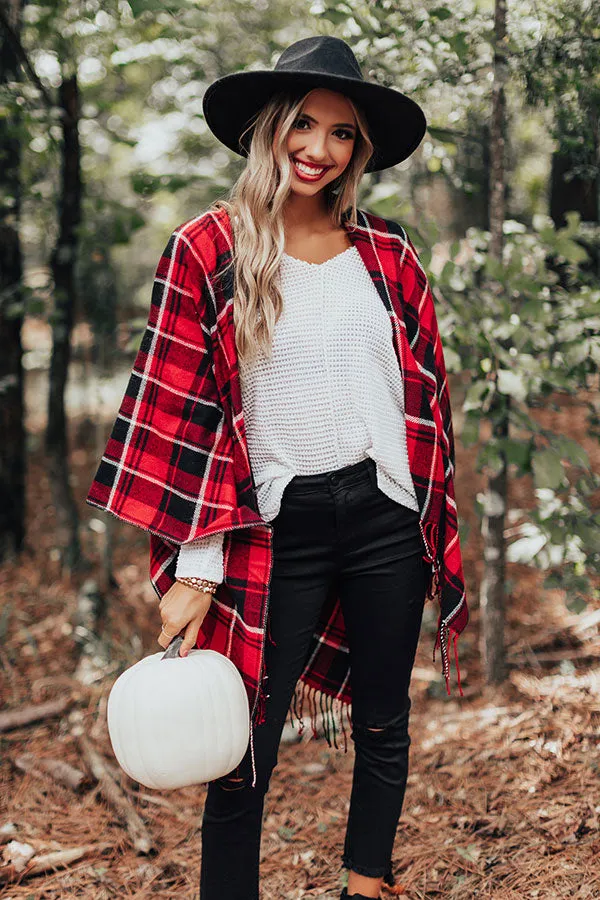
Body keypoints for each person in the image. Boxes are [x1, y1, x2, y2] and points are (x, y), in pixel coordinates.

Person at [86, 35, 469, 900]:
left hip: (382, 517)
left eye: (342, 134)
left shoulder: (391, 255)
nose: (319, 148)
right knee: (241, 748)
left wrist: (418, 512)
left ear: (357, 153)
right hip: (269, 528)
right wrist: (196, 563)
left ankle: (365, 887)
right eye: (304, 123)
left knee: (384, 724)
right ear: (270, 130)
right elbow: (185, 414)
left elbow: (423, 399)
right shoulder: (208, 248)